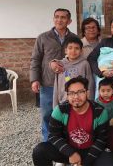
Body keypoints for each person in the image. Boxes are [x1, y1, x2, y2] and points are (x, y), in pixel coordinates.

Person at [32, 77, 113, 166]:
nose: (76, 97)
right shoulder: (60, 110)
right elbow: (53, 136)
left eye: (80, 92)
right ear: (67, 95)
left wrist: (85, 163)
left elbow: (101, 140)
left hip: (91, 151)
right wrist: (70, 153)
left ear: (87, 93)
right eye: (71, 93)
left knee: (110, 163)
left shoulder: (100, 112)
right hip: (68, 149)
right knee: (39, 151)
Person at [30, 8, 78, 142]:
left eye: (63, 17)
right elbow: (35, 59)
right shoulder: (43, 37)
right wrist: (35, 79)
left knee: (67, 114)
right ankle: (48, 142)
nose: (59, 20)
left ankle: (65, 142)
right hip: (48, 82)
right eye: (57, 17)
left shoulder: (74, 38)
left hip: (68, 84)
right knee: (47, 115)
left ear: (69, 21)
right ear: (53, 19)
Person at [52, 37, 94, 108]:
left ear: (81, 51)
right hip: (64, 100)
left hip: (80, 101)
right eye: (70, 48)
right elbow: (56, 86)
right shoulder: (60, 65)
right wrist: (55, 105)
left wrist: (90, 101)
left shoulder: (85, 64)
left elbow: (90, 83)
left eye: (77, 48)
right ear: (65, 50)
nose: (73, 51)